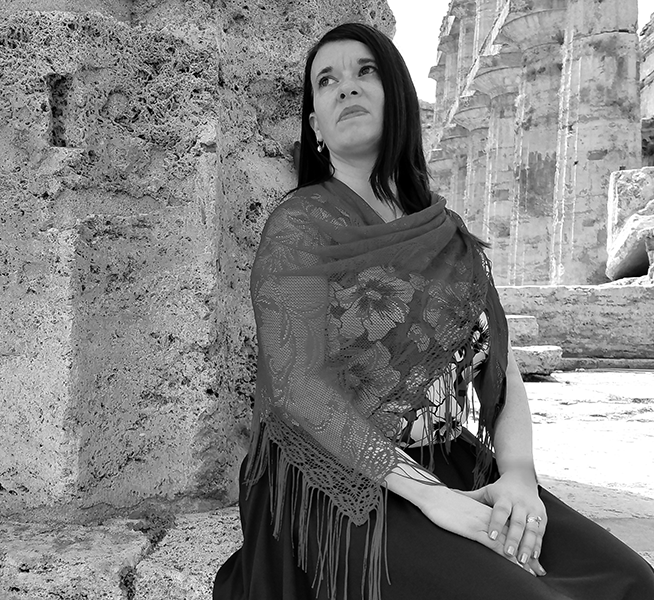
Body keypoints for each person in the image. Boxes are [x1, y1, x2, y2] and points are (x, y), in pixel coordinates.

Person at [213, 22, 654, 600]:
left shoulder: (448, 233)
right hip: (336, 479)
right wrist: (433, 499)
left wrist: (518, 474)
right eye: (327, 81)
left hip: (450, 460)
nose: (347, 87)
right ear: (315, 125)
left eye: (365, 71)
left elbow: (499, 367)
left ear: (397, 95)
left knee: (629, 582)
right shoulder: (298, 226)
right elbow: (299, 387)